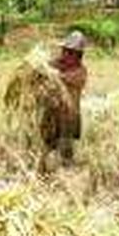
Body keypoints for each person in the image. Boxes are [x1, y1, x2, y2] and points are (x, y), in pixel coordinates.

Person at [48, 31, 88, 166]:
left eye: (70, 53)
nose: (65, 55)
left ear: (78, 56)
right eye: (64, 51)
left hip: (68, 117)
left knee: (65, 149)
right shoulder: (58, 64)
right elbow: (45, 68)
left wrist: (53, 73)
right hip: (52, 116)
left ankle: (68, 175)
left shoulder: (80, 72)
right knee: (49, 146)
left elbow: (62, 78)